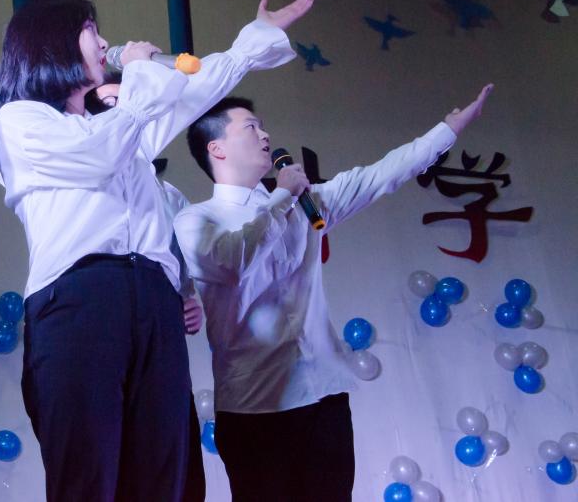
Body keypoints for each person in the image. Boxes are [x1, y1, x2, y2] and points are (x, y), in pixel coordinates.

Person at [0, 0, 311, 501]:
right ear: (52, 41)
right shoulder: (21, 120)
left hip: (153, 299)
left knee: (165, 473)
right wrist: (138, 74)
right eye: (92, 32)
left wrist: (254, 41)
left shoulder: (123, 125)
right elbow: (97, 155)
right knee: (89, 473)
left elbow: (196, 90)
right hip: (79, 299)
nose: (106, 44)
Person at [174, 85, 494, 501]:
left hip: (323, 396)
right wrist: (282, 196)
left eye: (264, 126)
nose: (265, 135)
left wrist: (447, 130)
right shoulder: (196, 220)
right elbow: (233, 261)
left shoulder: (305, 204)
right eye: (251, 128)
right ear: (216, 148)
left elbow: (379, 176)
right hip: (255, 405)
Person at [88, 76, 206, 502]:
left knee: (179, 474)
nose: (120, 112)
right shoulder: (84, 180)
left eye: (127, 102)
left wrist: (191, 300)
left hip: (162, 349)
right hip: (103, 347)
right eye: (107, 105)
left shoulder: (170, 196)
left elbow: (188, 269)